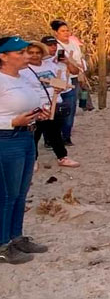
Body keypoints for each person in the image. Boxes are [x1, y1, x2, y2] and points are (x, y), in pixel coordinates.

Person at [0, 36, 50, 264]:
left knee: (20, 193)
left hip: (26, 137)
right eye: (19, 53)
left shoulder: (21, 78)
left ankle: (16, 237)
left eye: (26, 52)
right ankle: (2, 245)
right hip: (6, 139)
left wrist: (38, 113)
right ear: (3, 56)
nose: (26, 56)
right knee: (6, 195)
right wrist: (10, 123)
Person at [20, 41, 79, 168]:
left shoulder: (49, 65)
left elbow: (63, 81)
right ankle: (33, 160)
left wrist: (60, 88)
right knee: (35, 134)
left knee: (55, 132)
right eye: (31, 53)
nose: (34, 56)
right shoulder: (23, 70)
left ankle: (62, 157)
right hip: (36, 106)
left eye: (37, 53)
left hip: (53, 104)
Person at [51, 19, 85, 146]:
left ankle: (66, 135)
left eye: (67, 30)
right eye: (62, 31)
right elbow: (59, 61)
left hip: (74, 76)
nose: (66, 33)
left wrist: (81, 72)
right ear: (56, 33)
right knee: (56, 106)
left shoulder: (73, 43)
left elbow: (79, 59)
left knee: (70, 107)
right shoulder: (55, 46)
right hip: (60, 77)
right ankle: (53, 136)